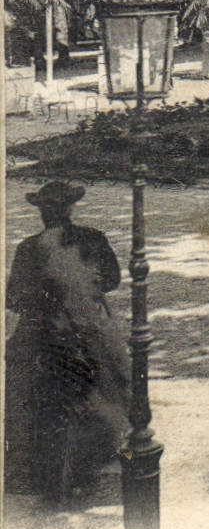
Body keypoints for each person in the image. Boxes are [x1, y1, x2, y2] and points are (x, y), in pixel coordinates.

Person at [5, 181, 128, 504]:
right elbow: (113, 280)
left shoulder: (29, 248)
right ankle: (101, 461)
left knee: (36, 392)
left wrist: (49, 299)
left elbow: (14, 299)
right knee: (111, 382)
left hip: (49, 333)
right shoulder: (92, 238)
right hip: (93, 328)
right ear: (71, 209)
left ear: (43, 213)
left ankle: (39, 471)